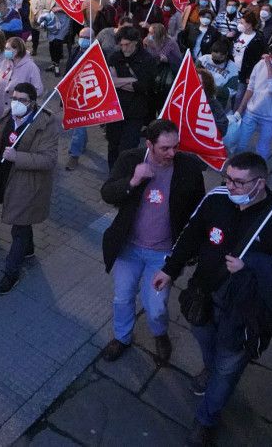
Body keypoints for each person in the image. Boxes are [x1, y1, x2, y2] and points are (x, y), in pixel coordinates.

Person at [151, 152, 272, 447]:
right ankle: (210, 369)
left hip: (244, 314)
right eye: (227, 178)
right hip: (203, 296)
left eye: (238, 182)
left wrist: (252, 264)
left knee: (227, 368)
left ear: (259, 183)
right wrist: (169, 269)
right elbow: (190, 234)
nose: (230, 186)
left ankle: (206, 418)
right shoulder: (217, 197)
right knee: (207, 344)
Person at [100, 120, 206, 366]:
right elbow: (106, 193)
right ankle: (122, 337)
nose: (172, 153)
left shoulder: (188, 167)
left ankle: (160, 334)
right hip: (130, 248)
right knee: (122, 297)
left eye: (175, 147)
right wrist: (132, 182)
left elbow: (198, 211)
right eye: (165, 148)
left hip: (163, 254)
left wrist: (190, 250)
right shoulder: (130, 159)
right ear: (149, 144)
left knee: (155, 305)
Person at [0, 82, 58, 294]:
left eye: (23, 100)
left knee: (18, 226)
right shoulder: (10, 115)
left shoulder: (46, 124)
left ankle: (11, 273)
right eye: (14, 98)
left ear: (33, 103)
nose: (17, 103)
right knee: (22, 222)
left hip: (28, 185)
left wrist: (17, 157)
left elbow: (49, 160)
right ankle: (29, 251)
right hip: (6, 179)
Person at [105, 26, 159, 168]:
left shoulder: (147, 60)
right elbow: (110, 83)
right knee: (113, 146)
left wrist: (119, 81)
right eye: (121, 45)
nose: (124, 48)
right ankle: (113, 175)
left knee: (128, 148)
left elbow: (144, 86)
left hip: (136, 112)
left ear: (136, 42)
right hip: (115, 110)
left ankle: (126, 176)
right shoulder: (114, 57)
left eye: (127, 44)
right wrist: (131, 81)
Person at [0, 37, 44, 121]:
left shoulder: (31, 67)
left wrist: (24, 101)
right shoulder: (5, 62)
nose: (5, 51)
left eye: (8, 49)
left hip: (17, 112)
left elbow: (38, 90)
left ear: (17, 50)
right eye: (5, 48)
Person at [64, 28, 94, 170]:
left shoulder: (97, 53)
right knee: (80, 124)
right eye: (81, 36)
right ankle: (83, 142)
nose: (82, 39)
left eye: (86, 37)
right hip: (74, 92)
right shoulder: (76, 49)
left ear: (93, 38)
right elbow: (69, 69)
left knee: (79, 124)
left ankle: (74, 154)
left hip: (88, 93)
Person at [230, 12, 267, 108]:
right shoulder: (238, 34)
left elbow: (257, 59)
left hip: (245, 72)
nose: (240, 25)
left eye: (242, 23)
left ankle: (236, 114)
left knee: (239, 96)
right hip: (233, 68)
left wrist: (250, 75)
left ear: (250, 24)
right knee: (232, 93)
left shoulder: (258, 39)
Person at [196, 40, 240, 112]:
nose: (217, 61)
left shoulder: (233, 68)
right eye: (214, 58)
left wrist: (210, 88)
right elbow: (193, 76)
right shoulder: (203, 59)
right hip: (199, 97)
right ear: (211, 52)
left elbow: (231, 91)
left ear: (226, 55)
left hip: (217, 103)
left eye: (220, 59)